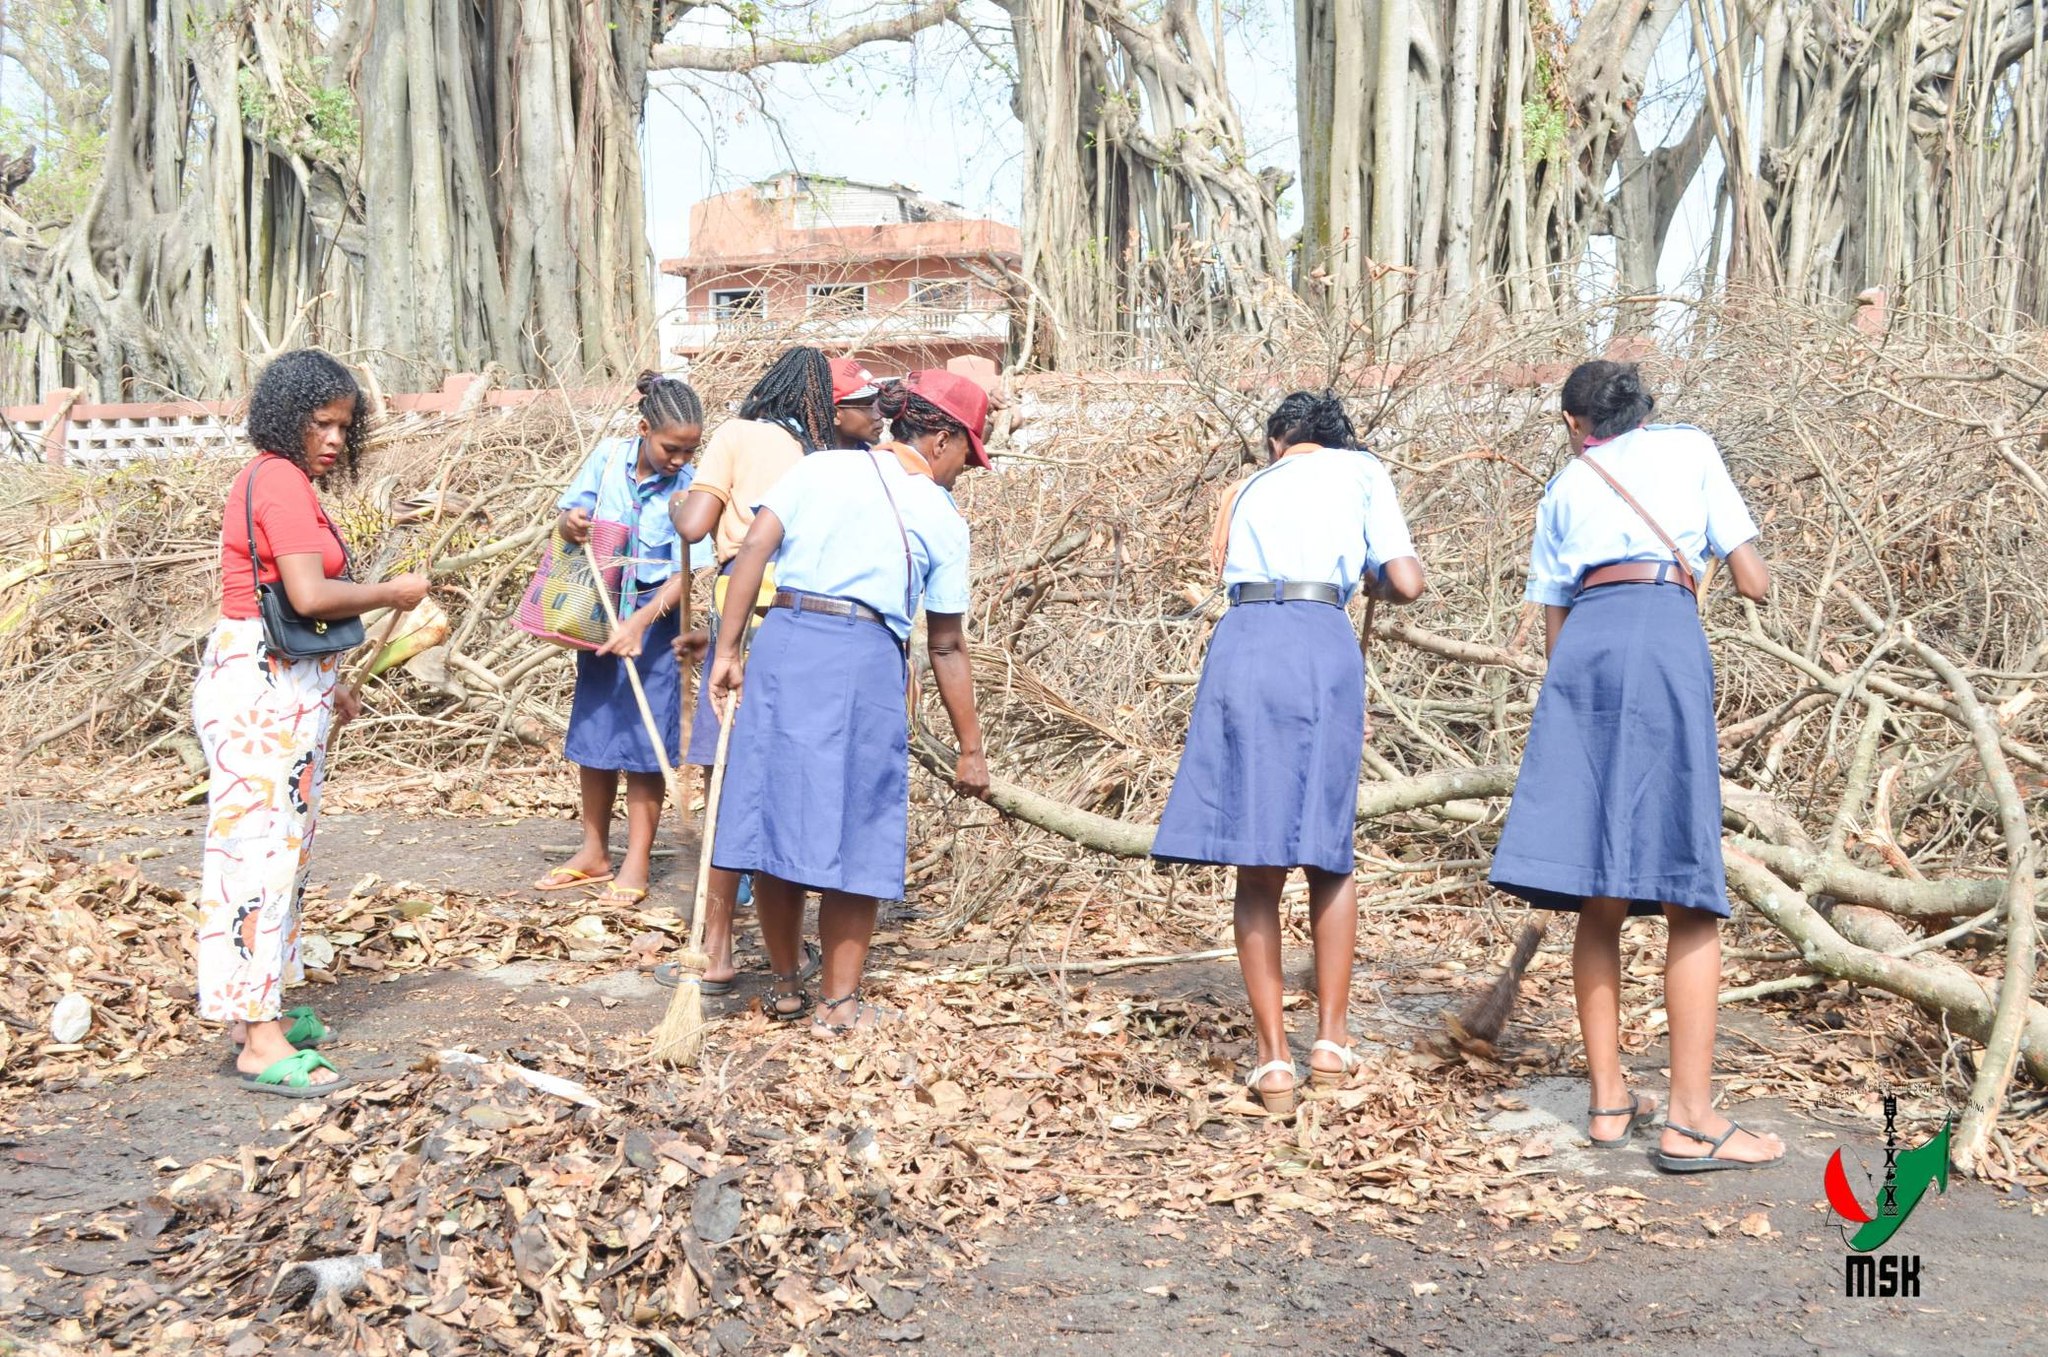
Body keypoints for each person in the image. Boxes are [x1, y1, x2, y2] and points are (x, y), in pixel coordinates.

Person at [1488, 360, 1785, 1173]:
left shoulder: (1563, 487)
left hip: (1585, 651)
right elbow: (1754, 581)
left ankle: (1610, 1101)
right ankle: (1690, 1119)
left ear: (1576, 424)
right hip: (1662, 631)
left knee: (1601, 885)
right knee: (1689, 890)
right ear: (1643, 411)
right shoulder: (1690, 450)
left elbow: (1553, 633)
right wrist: (1706, 568)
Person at [1151, 391, 1426, 1115]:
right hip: (1317, 639)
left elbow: (1221, 570)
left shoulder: (1245, 488)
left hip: (1242, 644)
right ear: (1334, 438)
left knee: (1257, 860)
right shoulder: (1362, 470)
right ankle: (1330, 1045)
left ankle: (1273, 1062)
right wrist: (1368, 576)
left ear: (1278, 441)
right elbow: (1407, 580)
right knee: (1329, 850)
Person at [708, 370, 992, 1036]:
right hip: (863, 655)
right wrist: (971, 747)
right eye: (967, 457)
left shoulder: (820, 469)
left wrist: (727, 650)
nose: (964, 473)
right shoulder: (941, 517)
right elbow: (946, 645)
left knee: (778, 821)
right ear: (944, 438)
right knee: (856, 826)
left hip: (785, 639)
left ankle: (784, 986)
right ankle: (837, 1006)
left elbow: (753, 546)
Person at [195, 349, 431, 1096]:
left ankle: (253, 1012)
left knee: (275, 853)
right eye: (319, 422)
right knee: (257, 858)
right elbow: (305, 593)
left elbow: (283, 602)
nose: (332, 438)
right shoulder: (282, 482)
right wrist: (394, 591)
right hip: (259, 690)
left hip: (278, 679)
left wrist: (330, 688)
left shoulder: (278, 479)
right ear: (284, 416)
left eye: (343, 426)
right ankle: (259, 1042)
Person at [662, 346, 838, 992]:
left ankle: (716, 948)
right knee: (774, 779)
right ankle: (788, 952)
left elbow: (698, 523)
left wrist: (685, 502)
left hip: (745, 607)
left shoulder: (736, 434)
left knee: (726, 779)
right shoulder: (819, 457)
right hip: (798, 620)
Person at [534, 372, 710, 907]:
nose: (678, 459)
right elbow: (568, 518)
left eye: (688, 450)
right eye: (669, 448)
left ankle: (635, 859)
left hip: (653, 628)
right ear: (643, 430)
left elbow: (688, 573)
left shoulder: (691, 487)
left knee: (643, 746)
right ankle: (593, 850)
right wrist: (572, 524)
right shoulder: (608, 458)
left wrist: (640, 623)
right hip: (599, 615)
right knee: (596, 733)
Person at [830, 357, 882, 448]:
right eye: (869, 405)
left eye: (879, 403)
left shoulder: (870, 456)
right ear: (835, 415)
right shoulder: (807, 459)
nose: (880, 415)